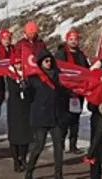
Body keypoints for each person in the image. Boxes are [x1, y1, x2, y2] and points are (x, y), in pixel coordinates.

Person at [25, 50, 70, 179]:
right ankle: (29, 170)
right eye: (46, 61)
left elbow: (63, 92)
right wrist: (25, 87)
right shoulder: (34, 78)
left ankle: (58, 174)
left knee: (58, 147)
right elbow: (29, 97)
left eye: (50, 60)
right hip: (40, 117)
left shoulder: (58, 75)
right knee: (39, 146)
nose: (49, 63)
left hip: (56, 117)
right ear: (40, 62)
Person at [56, 29, 90, 154]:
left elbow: (86, 70)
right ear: (67, 40)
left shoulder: (81, 55)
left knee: (75, 119)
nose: (73, 41)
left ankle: (73, 145)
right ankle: (60, 143)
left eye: (75, 39)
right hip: (64, 92)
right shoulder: (61, 54)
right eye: (71, 39)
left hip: (78, 92)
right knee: (64, 119)